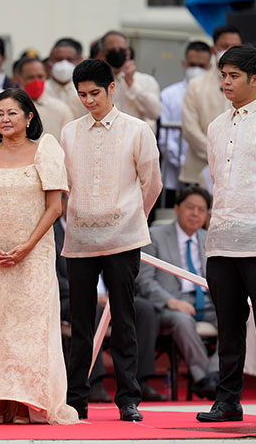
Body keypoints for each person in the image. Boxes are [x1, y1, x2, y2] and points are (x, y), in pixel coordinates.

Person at [0, 88, 77, 425]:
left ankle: (26, 402)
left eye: (12, 113)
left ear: (29, 117)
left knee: (28, 329)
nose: (5, 120)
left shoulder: (45, 151)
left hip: (33, 255)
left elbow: (55, 207)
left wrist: (27, 246)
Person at [60, 59, 162, 421]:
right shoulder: (69, 132)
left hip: (124, 238)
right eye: (82, 94)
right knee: (81, 321)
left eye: (95, 93)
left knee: (124, 317)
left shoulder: (137, 129)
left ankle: (128, 398)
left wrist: (133, 217)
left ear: (112, 88)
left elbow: (153, 183)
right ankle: (76, 399)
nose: (88, 101)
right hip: (80, 239)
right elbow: (65, 186)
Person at [196, 45, 256, 424]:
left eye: (233, 76)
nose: (225, 83)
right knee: (228, 329)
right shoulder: (215, 126)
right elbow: (217, 180)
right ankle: (227, 401)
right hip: (222, 241)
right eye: (223, 75)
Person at [55, 195, 166, 403]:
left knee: (143, 308)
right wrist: (97, 298)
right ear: (63, 203)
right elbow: (54, 278)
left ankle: (141, 380)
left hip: (107, 297)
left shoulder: (105, 229)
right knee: (91, 310)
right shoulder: (55, 234)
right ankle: (93, 383)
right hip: (70, 298)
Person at [137, 186, 219, 400]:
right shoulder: (154, 235)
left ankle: (214, 375)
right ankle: (205, 379)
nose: (195, 213)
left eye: (202, 210)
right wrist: (171, 301)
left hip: (208, 303)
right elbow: (144, 281)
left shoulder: (209, 238)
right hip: (171, 304)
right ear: (176, 208)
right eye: (190, 207)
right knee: (182, 320)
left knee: (239, 317)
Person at [179, 25, 256, 185]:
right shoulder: (196, 85)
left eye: (235, 47)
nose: (230, 50)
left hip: (243, 173)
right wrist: (218, 153)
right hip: (199, 171)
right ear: (214, 49)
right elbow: (190, 128)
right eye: (224, 46)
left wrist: (233, 157)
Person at [159, 41, 212, 200]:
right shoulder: (169, 94)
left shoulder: (216, 94)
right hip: (172, 174)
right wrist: (182, 162)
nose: (196, 69)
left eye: (201, 66)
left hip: (205, 170)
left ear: (209, 66)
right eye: (192, 64)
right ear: (184, 63)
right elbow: (164, 138)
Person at [99, 30, 161, 132]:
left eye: (121, 50)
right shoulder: (96, 82)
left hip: (136, 142)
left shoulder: (146, 80)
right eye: (112, 50)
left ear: (128, 53)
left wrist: (132, 84)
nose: (117, 52)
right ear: (102, 54)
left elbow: (155, 113)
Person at [15, 57, 74, 141]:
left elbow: (69, 143)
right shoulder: (7, 109)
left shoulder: (61, 109)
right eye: (31, 77)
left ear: (46, 76)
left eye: (40, 76)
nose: (37, 81)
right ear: (18, 79)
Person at [45, 37, 86, 118]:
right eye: (58, 59)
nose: (64, 63)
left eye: (70, 59)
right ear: (49, 62)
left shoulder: (86, 92)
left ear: (79, 61)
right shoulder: (42, 91)